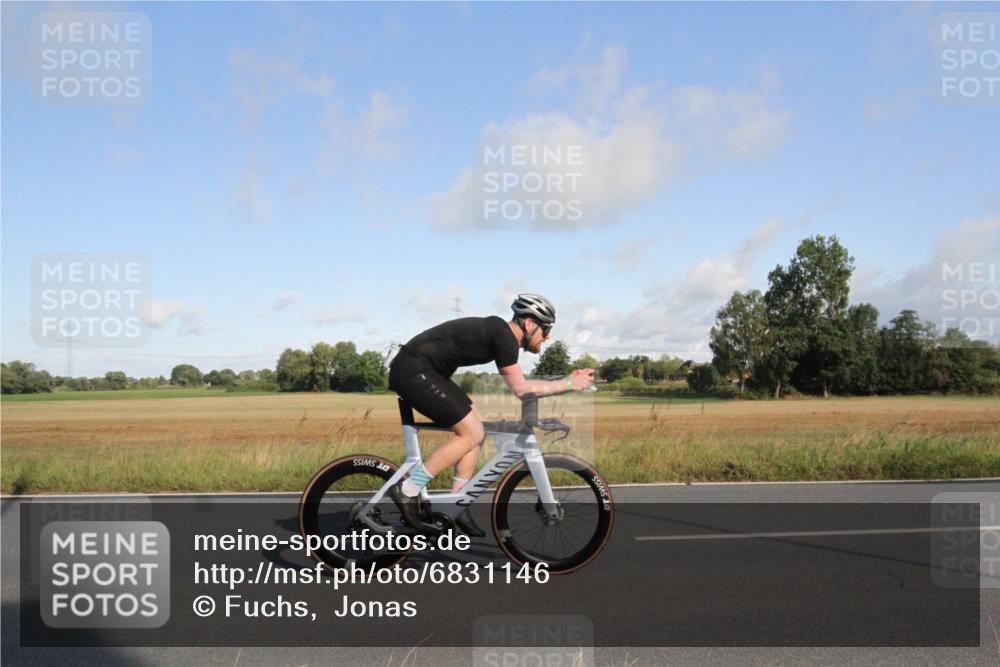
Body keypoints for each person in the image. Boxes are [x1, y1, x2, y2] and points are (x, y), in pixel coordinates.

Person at [387, 293, 595, 535]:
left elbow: (524, 386)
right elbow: (521, 389)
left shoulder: (501, 335)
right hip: (414, 370)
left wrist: (564, 381)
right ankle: (408, 490)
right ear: (529, 324)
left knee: (477, 427)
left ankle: (455, 505)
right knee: (471, 432)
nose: (546, 338)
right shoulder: (504, 338)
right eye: (545, 331)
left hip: (425, 370)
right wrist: (568, 384)